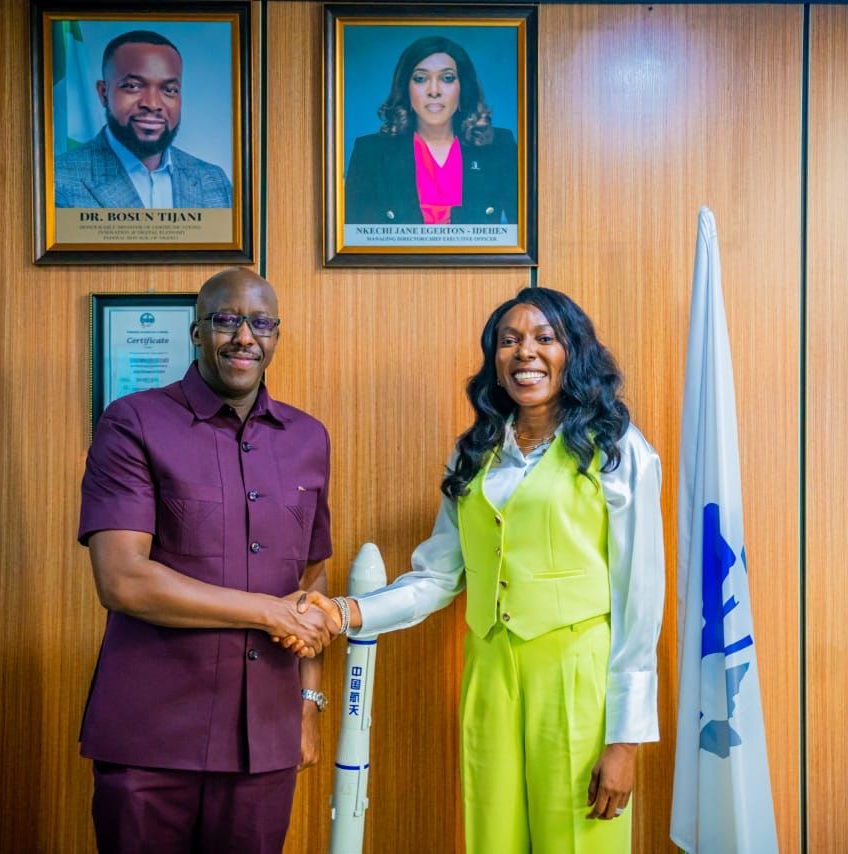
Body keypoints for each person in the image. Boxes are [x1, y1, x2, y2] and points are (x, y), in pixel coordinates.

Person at [305, 287, 665, 853]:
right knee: (490, 838)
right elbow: (438, 576)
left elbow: (640, 597)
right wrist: (350, 611)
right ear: (495, 362)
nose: (527, 352)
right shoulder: (474, 452)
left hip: (578, 675)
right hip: (489, 671)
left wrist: (625, 741)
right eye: (510, 340)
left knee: (578, 841)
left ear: (574, 354)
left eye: (546, 339)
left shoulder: (617, 449)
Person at [77, 268, 337, 853]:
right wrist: (267, 612)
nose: (245, 336)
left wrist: (308, 705)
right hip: (151, 736)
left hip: (263, 740)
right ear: (197, 331)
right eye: (227, 319)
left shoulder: (308, 438)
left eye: (261, 322)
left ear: (276, 335)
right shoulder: (133, 423)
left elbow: (312, 584)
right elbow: (123, 580)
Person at [343, 35, 517, 226]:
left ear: (463, 88)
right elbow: (355, 240)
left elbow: (524, 236)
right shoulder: (370, 152)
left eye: (447, 78)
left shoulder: (500, 145)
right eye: (421, 78)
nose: (434, 91)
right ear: (406, 89)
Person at [55, 29, 233, 209]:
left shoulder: (214, 181)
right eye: (133, 86)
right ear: (103, 93)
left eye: (169, 90)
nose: (153, 104)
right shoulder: (57, 179)